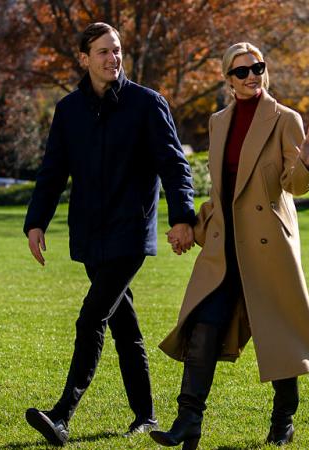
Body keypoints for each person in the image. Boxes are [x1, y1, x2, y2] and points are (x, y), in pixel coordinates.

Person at [22, 22, 196, 447]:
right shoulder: (68, 111)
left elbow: (175, 167)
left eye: (116, 50)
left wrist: (182, 217)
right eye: (102, 51)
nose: (112, 58)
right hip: (89, 234)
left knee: (91, 316)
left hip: (130, 232)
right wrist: (35, 221)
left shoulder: (146, 104)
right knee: (123, 323)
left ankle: (62, 414)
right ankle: (146, 414)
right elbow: (52, 173)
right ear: (84, 59)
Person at [150, 42, 309, 449]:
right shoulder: (218, 121)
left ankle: (283, 420)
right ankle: (188, 420)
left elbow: (292, 187)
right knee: (203, 325)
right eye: (242, 72)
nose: (251, 77)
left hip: (267, 244)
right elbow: (222, 192)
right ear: (228, 80)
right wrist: (191, 226)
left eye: (257, 68)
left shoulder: (285, 119)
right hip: (224, 245)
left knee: (276, 331)